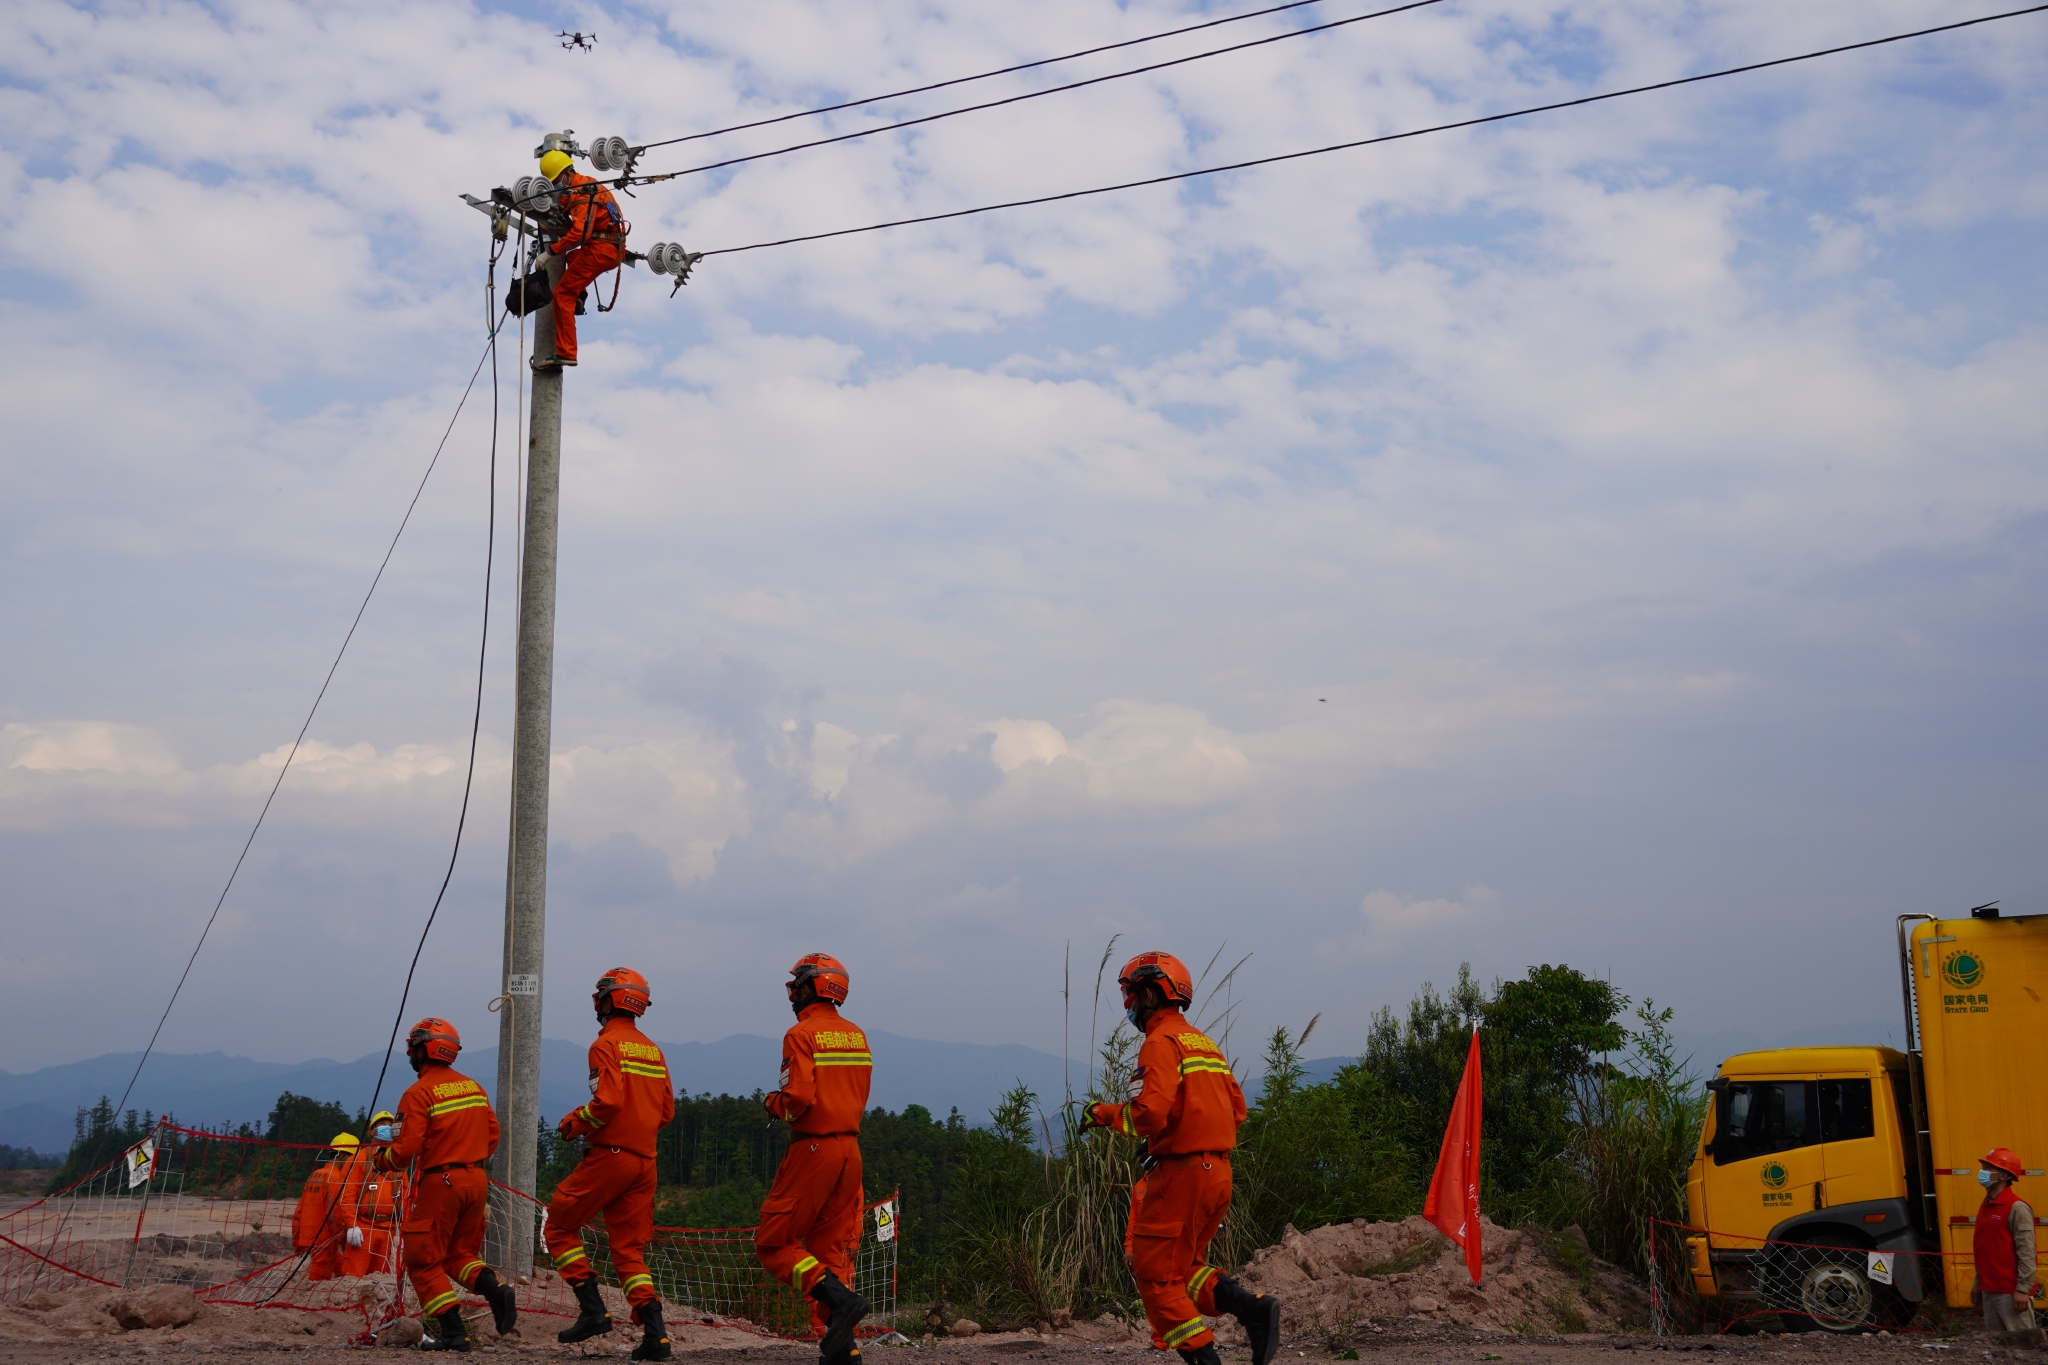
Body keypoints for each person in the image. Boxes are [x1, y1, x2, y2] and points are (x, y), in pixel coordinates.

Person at [1079, 952, 1281, 1365]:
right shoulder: (1203, 1042)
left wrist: (1101, 1113)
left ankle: (1205, 1359)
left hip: (1182, 1177)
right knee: (1185, 1269)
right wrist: (1180, 1136)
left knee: (1155, 1277)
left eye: (1131, 996)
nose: (1129, 1006)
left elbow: (1147, 1114)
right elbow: (1236, 1110)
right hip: (1218, 1172)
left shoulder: (1159, 1042)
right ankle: (1254, 1310)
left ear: (1152, 994)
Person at [548, 968, 678, 1360]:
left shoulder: (604, 1045)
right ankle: (655, 1335)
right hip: (645, 1163)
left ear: (608, 1000)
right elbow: (667, 1111)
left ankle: (592, 1310)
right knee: (629, 1251)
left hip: (612, 1157)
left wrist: (575, 1122)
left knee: (558, 1226)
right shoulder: (652, 1050)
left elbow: (607, 1102)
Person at [755, 954, 872, 1365]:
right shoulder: (856, 1036)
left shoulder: (800, 1034)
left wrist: (774, 1105)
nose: (792, 991)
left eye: (797, 984)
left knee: (773, 1244)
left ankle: (840, 1302)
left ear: (812, 987)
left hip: (814, 1148)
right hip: (850, 1152)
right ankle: (845, 1349)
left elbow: (799, 1099)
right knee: (831, 1251)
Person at [373, 1018, 517, 1351]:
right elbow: (493, 1134)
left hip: (443, 1181)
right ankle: (496, 1289)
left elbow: (405, 1149)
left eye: (413, 1047)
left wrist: (382, 1161)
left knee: (422, 1260)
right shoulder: (473, 1088)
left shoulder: (418, 1092)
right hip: (477, 1179)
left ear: (422, 1049)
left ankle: (454, 1333)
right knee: (458, 1254)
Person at [532, 146, 625, 371]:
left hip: (601, 248)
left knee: (562, 294)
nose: (556, 187)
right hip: (608, 247)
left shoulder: (584, 192)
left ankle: (566, 352)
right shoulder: (585, 185)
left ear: (565, 174)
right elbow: (568, 207)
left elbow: (579, 233)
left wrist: (550, 252)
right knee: (573, 258)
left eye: (556, 182)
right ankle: (579, 298)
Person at [1975, 1146, 2038, 1332]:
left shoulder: (2017, 1207)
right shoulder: (1987, 1205)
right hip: (1990, 1290)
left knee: (2023, 1350)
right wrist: (1979, 1283)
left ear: (2003, 1176)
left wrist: (2023, 1290)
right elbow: (1985, 1249)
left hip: (2011, 1293)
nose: (1982, 1173)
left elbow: (2027, 1251)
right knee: (1998, 1350)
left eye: (1988, 1168)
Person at [292, 1133, 362, 1282]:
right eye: (353, 1159)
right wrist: (343, 1239)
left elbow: (299, 1210)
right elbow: (335, 1214)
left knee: (342, 1272)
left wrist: (297, 1239)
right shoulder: (336, 1179)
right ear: (343, 1156)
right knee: (317, 1282)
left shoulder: (316, 1174)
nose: (354, 1164)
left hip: (310, 1237)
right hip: (325, 1240)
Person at [346, 1111, 405, 1278]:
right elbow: (348, 1195)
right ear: (372, 1131)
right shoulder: (359, 1159)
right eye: (382, 1124)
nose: (387, 1127)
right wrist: (351, 1225)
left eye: (390, 1125)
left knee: (379, 1281)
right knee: (354, 1278)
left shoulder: (400, 1162)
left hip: (388, 1231)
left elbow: (406, 1198)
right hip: (364, 1228)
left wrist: (406, 1229)